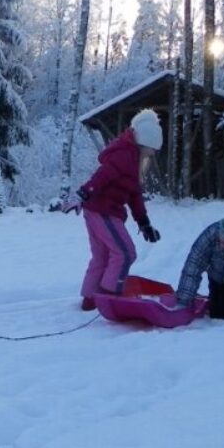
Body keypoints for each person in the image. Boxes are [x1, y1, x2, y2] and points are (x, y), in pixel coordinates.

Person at [61, 109, 163, 311]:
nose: (154, 154)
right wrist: (82, 194)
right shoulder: (124, 155)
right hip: (103, 210)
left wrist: (144, 223)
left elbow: (134, 195)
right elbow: (102, 176)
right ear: (146, 142)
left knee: (102, 256)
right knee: (125, 253)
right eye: (153, 149)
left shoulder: (134, 159)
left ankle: (90, 300)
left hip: (97, 211)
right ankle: (109, 299)